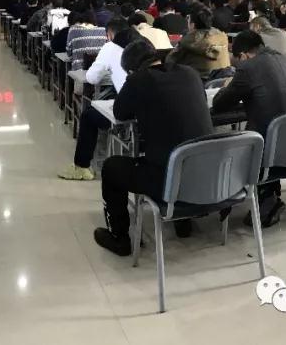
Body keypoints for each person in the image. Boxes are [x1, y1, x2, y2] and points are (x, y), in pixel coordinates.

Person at [92, 39, 215, 254]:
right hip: (206, 174)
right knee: (179, 142)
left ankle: (119, 238)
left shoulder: (139, 80)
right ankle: (183, 221)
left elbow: (120, 113)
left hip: (168, 179)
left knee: (112, 168)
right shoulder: (189, 73)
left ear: (131, 70)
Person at [211, 31, 286, 225]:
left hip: (269, 153)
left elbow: (220, 104)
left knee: (245, 136)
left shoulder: (248, 69)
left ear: (243, 56)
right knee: (267, 121)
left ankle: (265, 198)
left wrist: (228, 85)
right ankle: (269, 194)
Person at [58, 20, 134, 181]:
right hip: (153, 108)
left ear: (110, 34)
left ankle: (82, 167)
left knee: (88, 115)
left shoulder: (110, 47)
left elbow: (92, 78)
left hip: (130, 110)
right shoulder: (143, 44)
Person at [170, 7, 230, 77]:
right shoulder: (222, 36)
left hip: (197, 80)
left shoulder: (188, 40)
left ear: (193, 24)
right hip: (224, 78)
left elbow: (170, 60)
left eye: (188, 19)